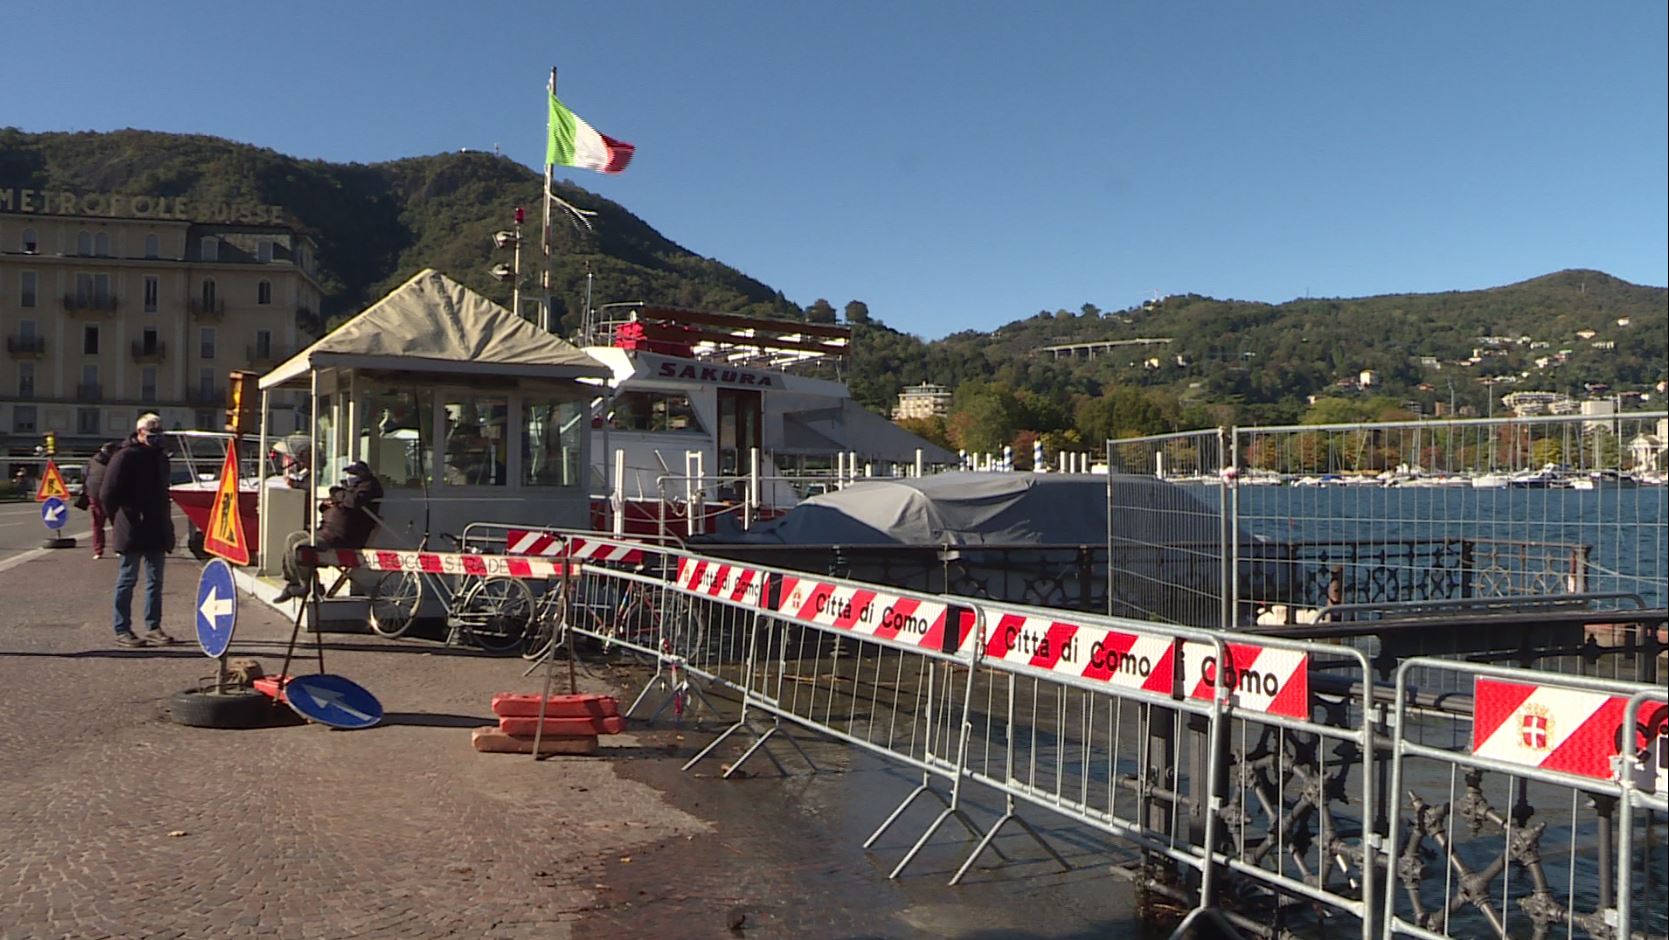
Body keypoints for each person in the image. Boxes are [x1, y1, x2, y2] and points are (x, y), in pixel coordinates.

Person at [101, 414, 177, 647]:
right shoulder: (125, 456)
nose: (157, 438)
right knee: (128, 579)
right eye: (152, 433)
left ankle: (153, 626)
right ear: (140, 433)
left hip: (156, 525)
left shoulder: (161, 457)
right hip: (132, 526)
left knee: (156, 580)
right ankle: (122, 628)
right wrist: (120, 519)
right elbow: (107, 493)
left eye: (159, 433)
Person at [275, 460, 384, 602]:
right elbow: (325, 504)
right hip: (323, 532)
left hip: (339, 538)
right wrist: (334, 499)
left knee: (300, 547)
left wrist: (336, 494)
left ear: (363, 473)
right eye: (348, 473)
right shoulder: (347, 489)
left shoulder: (368, 487)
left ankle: (309, 586)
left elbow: (352, 501)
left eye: (354, 473)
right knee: (292, 538)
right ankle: (296, 584)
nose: (350, 476)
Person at [81, 441, 121, 559]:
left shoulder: (92, 461)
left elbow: (86, 477)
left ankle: (98, 550)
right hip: (112, 495)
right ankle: (118, 548)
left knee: (97, 524)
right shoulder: (116, 461)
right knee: (117, 523)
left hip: (95, 494)